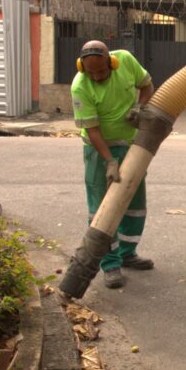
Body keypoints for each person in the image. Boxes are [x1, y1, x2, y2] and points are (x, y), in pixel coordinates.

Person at [71, 40, 155, 289]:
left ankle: (128, 253)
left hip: (131, 145)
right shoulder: (80, 86)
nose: (96, 76)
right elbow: (93, 130)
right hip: (99, 151)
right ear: (82, 68)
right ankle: (110, 263)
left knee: (134, 202)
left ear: (112, 62)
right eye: (91, 72)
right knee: (102, 207)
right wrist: (109, 161)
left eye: (101, 71)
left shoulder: (126, 61)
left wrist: (140, 107)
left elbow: (147, 85)